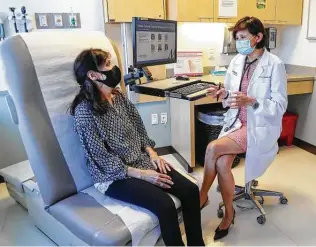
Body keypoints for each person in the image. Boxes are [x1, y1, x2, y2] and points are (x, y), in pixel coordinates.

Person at [70, 48, 205, 246]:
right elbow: (102, 159)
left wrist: (152, 154)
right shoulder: (85, 113)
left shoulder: (119, 97)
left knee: (191, 190)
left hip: (141, 160)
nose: (114, 68)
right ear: (93, 75)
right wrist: (143, 175)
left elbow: (139, 129)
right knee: (165, 205)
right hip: (113, 175)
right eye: (107, 64)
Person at [200, 16, 288, 241]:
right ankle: (229, 214)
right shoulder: (237, 61)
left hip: (257, 126)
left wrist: (252, 102)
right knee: (221, 162)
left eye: (242, 37)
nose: (238, 42)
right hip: (236, 122)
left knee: (212, 148)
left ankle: (201, 197)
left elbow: (280, 105)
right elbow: (232, 95)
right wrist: (224, 95)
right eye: (236, 37)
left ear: (258, 38)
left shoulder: (274, 64)